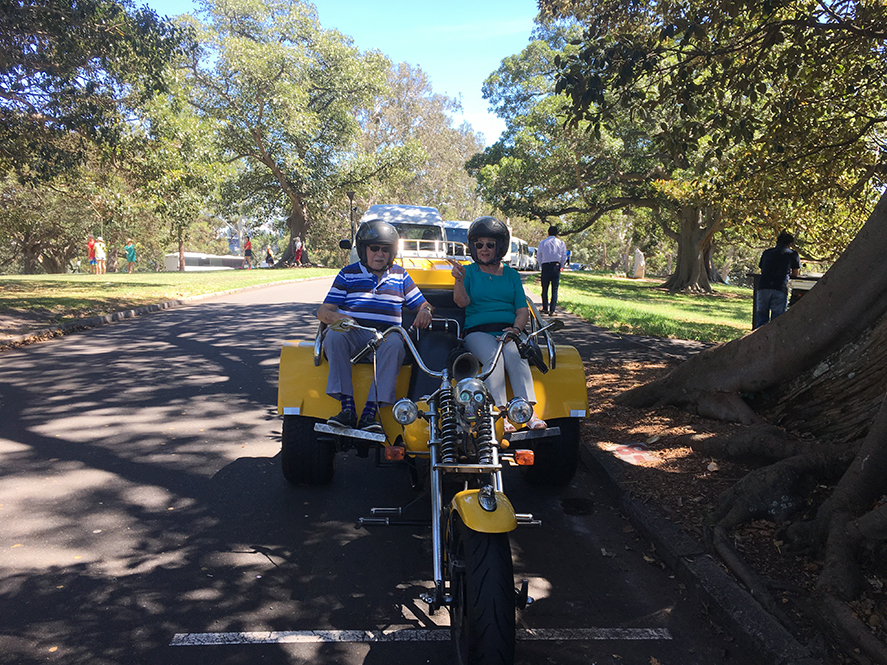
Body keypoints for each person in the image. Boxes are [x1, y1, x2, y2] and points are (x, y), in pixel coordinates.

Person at [317, 220, 432, 433]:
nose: (380, 254)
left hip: (387, 335)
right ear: (363, 250)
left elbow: (422, 304)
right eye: (374, 248)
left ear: (392, 252)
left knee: (396, 344)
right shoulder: (347, 274)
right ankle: (347, 410)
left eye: (385, 249)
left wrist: (425, 311)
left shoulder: (400, 275)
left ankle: (371, 414)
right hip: (354, 332)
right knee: (333, 336)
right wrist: (340, 319)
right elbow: (323, 312)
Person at [450, 216, 546, 432]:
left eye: (490, 245)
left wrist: (516, 330)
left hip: (508, 331)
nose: (484, 249)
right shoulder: (469, 272)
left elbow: (522, 310)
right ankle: (498, 414)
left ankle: (527, 413)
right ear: (473, 247)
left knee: (515, 355)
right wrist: (458, 280)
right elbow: (461, 302)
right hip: (478, 332)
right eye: (479, 244)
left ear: (499, 247)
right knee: (494, 358)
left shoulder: (512, 275)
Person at [755, 230, 801, 328]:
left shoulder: (767, 253)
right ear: (790, 244)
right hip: (780, 288)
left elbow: (763, 269)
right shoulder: (793, 254)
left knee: (761, 320)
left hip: (763, 287)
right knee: (777, 321)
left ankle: (758, 340)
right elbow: (796, 273)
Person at [536, 225, 567, 316]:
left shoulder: (542, 243)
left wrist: (542, 265)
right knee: (554, 289)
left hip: (545, 266)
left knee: (544, 288)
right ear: (557, 233)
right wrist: (560, 265)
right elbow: (564, 256)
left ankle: (545, 307)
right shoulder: (561, 243)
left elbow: (539, 256)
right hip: (555, 266)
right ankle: (552, 310)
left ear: (548, 232)